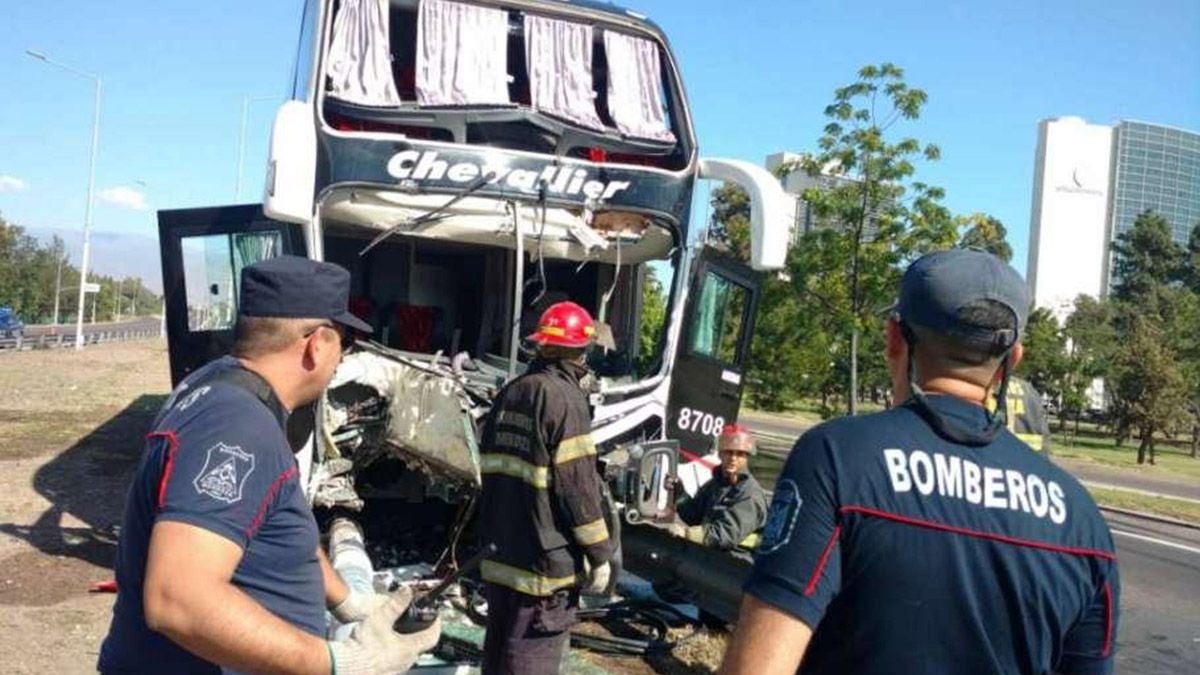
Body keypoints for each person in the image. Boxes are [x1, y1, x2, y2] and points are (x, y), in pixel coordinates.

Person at [721, 249, 1119, 675]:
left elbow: (758, 668)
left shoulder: (838, 458)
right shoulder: (1082, 519)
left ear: (894, 337)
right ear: (1011, 362)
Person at [99, 256, 440, 675]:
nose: (341, 359)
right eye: (343, 343)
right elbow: (177, 599)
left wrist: (348, 602)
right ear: (316, 344)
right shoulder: (236, 424)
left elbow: (275, 526)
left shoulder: (215, 386)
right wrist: (342, 660)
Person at [477, 300, 614, 675]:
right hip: (543, 570)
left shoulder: (512, 392)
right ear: (576, 352)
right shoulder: (565, 400)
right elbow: (578, 489)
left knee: (498, 662)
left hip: (501, 559)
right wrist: (600, 553)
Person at [675, 424, 768, 550]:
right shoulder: (715, 485)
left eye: (740, 454)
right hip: (711, 554)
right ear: (720, 454)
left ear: (747, 457)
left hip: (737, 561)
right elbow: (696, 518)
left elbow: (726, 534)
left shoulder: (750, 495)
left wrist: (686, 533)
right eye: (729, 452)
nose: (733, 458)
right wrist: (680, 494)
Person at [1004, 376, 1053, 452]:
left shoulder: (988, 386)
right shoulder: (1028, 388)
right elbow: (1042, 427)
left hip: (1002, 452)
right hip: (1034, 452)